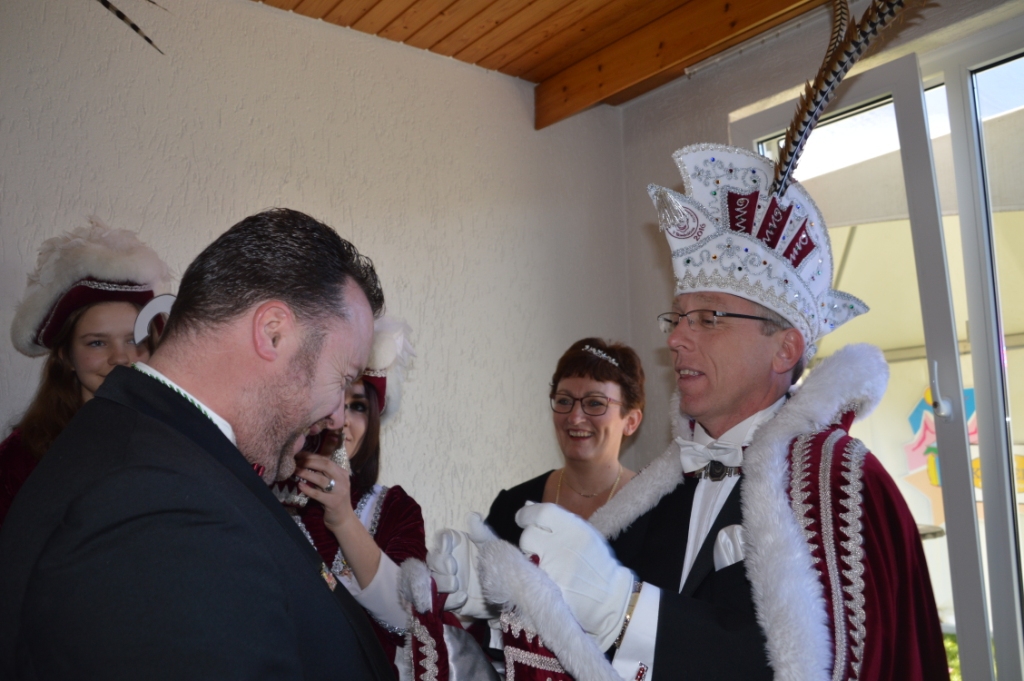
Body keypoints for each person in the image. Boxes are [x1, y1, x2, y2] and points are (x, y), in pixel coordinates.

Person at [430, 2, 949, 679]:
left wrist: (624, 609)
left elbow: (800, 664)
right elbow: (580, 636)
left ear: (785, 348)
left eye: (707, 319)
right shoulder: (666, 488)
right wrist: (500, 594)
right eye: (677, 319)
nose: (676, 340)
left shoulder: (839, 489)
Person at [0, 208, 395, 680]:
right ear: (273, 332)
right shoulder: (154, 501)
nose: (337, 416)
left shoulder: (169, 454)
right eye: (343, 377)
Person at [273, 317, 428, 677]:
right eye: (331, 398)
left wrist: (343, 519)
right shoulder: (260, 486)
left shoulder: (396, 509)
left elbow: (408, 620)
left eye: (357, 406)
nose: (340, 418)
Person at [0, 220, 171, 527]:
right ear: (65, 355)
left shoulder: (183, 440)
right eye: (97, 343)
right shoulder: (22, 458)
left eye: (135, 340)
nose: (120, 358)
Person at [486, 338, 644, 545]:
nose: (575, 417)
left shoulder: (657, 511)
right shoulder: (511, 507)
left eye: (594, 403)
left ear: (630, 421)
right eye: (564, 401)